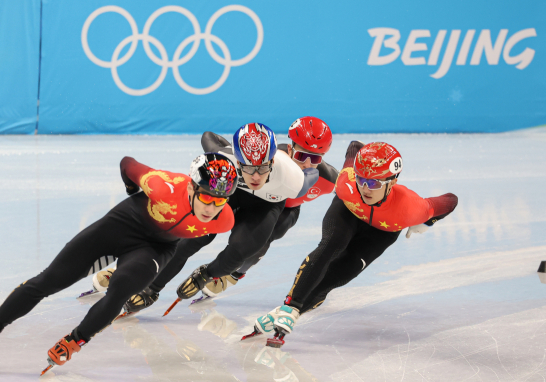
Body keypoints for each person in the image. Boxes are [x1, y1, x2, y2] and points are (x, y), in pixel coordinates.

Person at [0, 153, 239, 372]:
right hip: (121, 225)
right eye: (208, 198)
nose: (213, 207)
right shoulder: (162, 186)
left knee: (122, 286)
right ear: (191, 189)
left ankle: (74, 341)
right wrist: (132, 192)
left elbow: (194, 240)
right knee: (49, 280)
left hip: (155, 248)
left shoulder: (223, 220)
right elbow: (127, 163)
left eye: (221, 200)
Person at [252, 141, 459, 346]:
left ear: (392, 181)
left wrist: (429, 220)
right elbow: (354, 146)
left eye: (374, 183)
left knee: (343, 272)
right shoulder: (348, 183)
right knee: (331, 245)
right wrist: (363, 158)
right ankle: (291, 307)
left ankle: (285, 312)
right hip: (348, 209)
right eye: (362, 179)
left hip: (382, 230)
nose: (365, 188)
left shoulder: (412, 208)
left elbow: (450, 200)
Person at [108, 122, 319, 314]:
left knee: (241, 251)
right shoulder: (223, 158)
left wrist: (207, 275)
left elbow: (317, 175)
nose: (255, 176)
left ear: (272, 160)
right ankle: (151, 288)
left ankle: (206, 275)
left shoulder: (293, 179)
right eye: (248, 167)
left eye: (263, 168)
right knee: (189, 240)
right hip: (232, 194)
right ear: (237, 159)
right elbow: (208, 136)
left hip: (266, 207)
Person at [201, 116, 339, 297]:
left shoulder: (328, 178)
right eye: (301, 156)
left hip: (284, 209)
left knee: (275, 228)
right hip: (251, 197)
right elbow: (214, 140)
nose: (307, 164)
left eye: (315, 159)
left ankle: (231, 275)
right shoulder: (270, 156)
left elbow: (354, 186)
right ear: (290, 149)